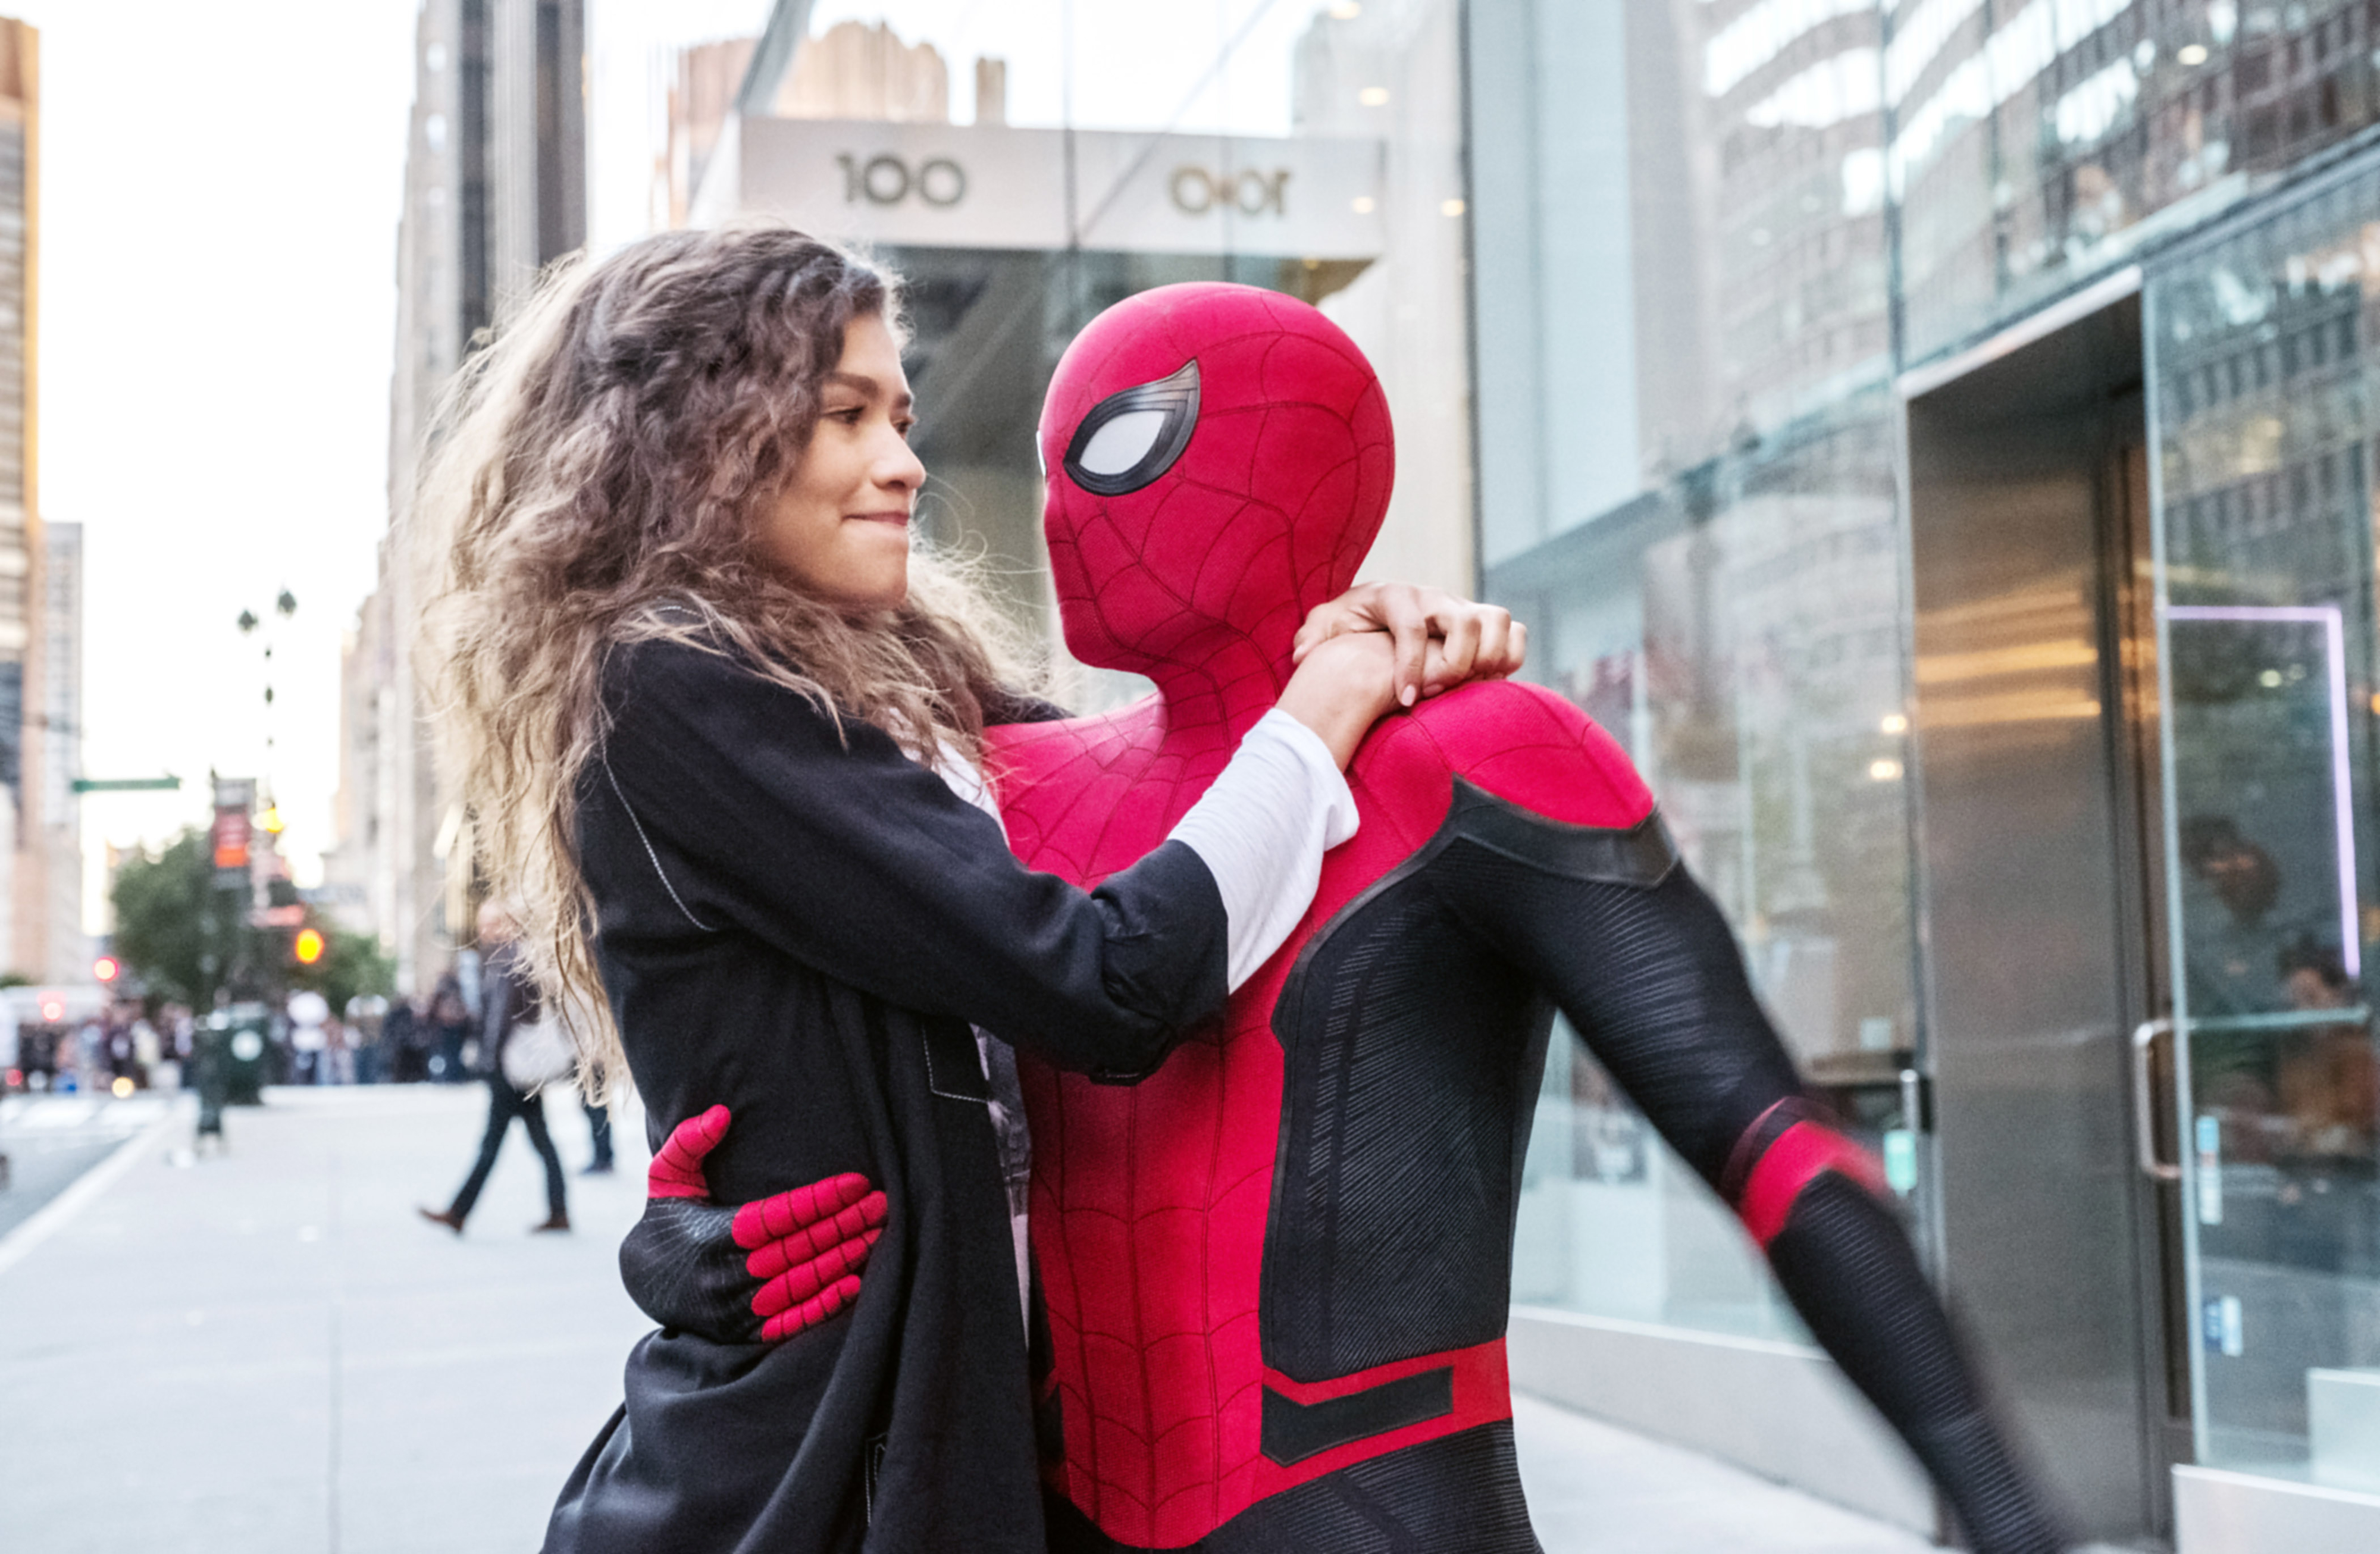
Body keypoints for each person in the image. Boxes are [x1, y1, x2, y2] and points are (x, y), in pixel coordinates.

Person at [630, 284, 2066, 1552]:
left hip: (1372, 1503)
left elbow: (1764, 1140)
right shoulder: (990, 779)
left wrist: (2002, 1501)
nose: (1062, 503)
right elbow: (771, 1003)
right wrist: (693, 1235)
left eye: (1120, 443)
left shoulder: (1469, 753)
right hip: (1036, 1506)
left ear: (1302, 459)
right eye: (1054, 456)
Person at [415, 224, 1514, 1554]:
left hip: (995, 1438)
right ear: (701, 441)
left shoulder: (897, 676)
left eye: (902, 414)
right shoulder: (678, 688)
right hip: (812, 1483)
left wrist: (1359, 650)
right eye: (844, 416)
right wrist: (1318, 705)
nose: (904, 462)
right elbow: (1107, 976)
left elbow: (1173, 811)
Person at [418, 900, 571, 1235]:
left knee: (494, 1143)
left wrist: (490, 1059)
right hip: (516, 1066)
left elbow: (501, 1018)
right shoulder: (514, 957)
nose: (483, 930)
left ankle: (459, 1212)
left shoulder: (508, 959)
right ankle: (558, 1210)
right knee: (540, 1140)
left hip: (508, 1067)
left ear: (509, 924)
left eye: (491, 923)